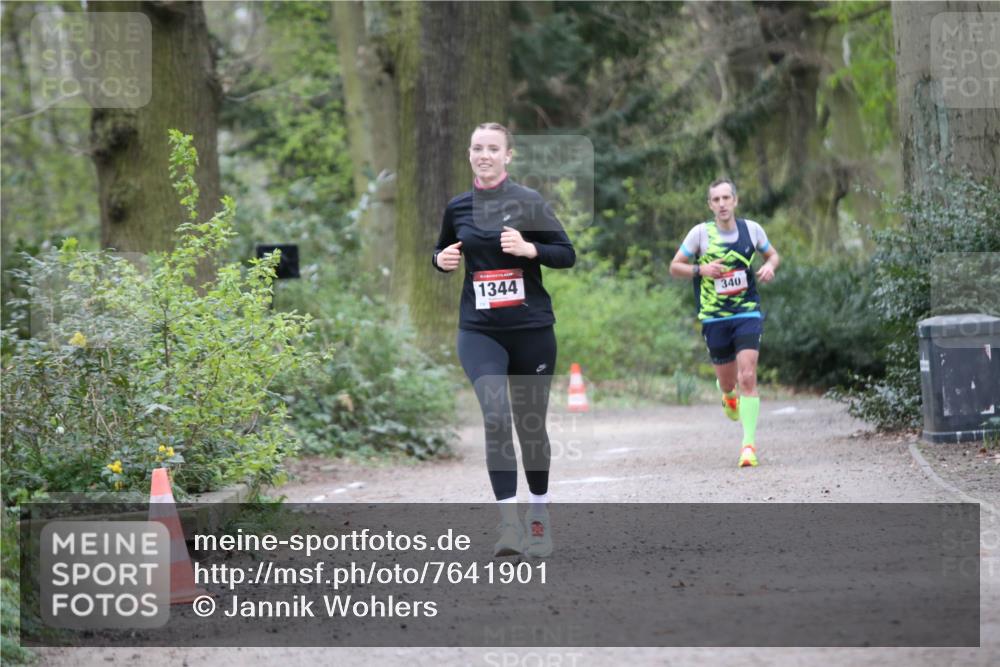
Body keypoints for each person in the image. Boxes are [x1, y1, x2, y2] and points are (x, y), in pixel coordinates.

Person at [433, 122, 575, 557]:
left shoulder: (529, 203)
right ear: (469, 154)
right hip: (480, 331)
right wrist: (440, 260)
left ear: (508, 155)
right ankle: (508, 525)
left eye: (493, 148)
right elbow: (440, 253)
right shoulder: (458, 207)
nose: (485, 155)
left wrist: (531, 250)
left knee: (530, 427)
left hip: (531, 330)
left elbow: (566, 254)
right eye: (477, 148)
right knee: (496, 418)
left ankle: (538, 516)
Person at [669, 179, 780, 467]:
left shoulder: (752, 229)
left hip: (747, 313)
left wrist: (769, 266)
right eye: (716, 200)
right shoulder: (700, 234)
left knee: (748, 377)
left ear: (735, 201)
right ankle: (728, 395)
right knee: (729, 382)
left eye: (726, 198)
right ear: (710, 205)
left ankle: (748, 446)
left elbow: (773, 254)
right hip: (714, 317)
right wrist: (700, 269)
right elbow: (674, 267)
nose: (722, 204)